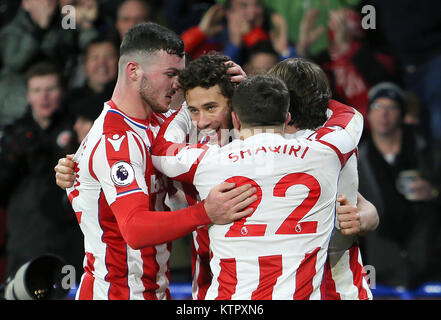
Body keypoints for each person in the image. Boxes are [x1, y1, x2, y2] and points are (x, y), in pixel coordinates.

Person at [58, 22, 256, 300]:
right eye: (171, 74)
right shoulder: (117, 140)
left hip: (154, 289)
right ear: (134, 70)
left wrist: (244, 95)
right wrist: (205, 212)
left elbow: (229, 142)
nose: (178, 84)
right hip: (118, 294)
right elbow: (135, 229)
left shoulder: (159, 123)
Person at [150, 73, 363, 299]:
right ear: (287, 117)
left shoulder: (209, 161)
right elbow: (349, 116)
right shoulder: (324, 152)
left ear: (236, 120)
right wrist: (285, 90)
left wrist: (188, 106)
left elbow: (162, 149)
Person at [268, 58, 378, 299]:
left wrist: (362, 216)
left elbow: (361, 205)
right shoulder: (342, 135)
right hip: (319, 286)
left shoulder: (252, 149)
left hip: (323, 284)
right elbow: (348, 113)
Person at [0, 61, 84, 283]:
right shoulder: (12, 134)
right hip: (25, 241)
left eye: (51, 89)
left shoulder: (79, 130)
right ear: (28, 95)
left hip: (70, 242)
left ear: (62, 92)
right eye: (37, 90)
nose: (44, 97)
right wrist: (11, 158)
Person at [358, 82, 441, 290]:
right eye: (377, 107)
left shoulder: (430, 152)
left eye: (391, 107)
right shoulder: (356, 161)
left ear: (402, 113)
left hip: (430, 264)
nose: (384, 114)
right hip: (382, 268)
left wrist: (434, 192)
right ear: (368, 114)